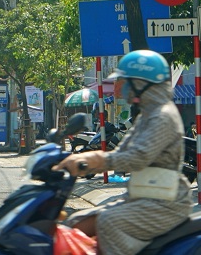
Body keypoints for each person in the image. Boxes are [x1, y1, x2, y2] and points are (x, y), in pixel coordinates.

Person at [54, 50, 191, 255]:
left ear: (141, 83)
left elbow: (137, 158)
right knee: (77, 222)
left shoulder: (163, 116)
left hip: (166, 203)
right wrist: (80, 157)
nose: (119, 87)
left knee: (108, 222)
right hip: (142, 197)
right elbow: (120, 151)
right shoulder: (146, 116)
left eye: (123, 81)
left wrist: (97, 159)